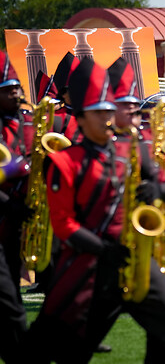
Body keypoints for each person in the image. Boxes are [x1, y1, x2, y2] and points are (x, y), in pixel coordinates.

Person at [27, 58, 165, 364]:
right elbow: (64, 224)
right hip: (86, 266)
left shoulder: (132, 150)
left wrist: (157, 190)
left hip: (132, 259)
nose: (106, 117)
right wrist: (103, 249)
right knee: (62, 348)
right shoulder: (63, 162)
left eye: (108, 110)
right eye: (98, 112)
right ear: (81, 117)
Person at [108, 57, 165, 363]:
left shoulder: (147, 138)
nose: (134, 112)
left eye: (136, 106)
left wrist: (162, 180)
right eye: (125, 105)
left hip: (160, 229)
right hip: (116, 237)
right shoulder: (99, 143)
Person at [0, 51, 33, 364]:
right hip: (6, 211)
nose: (14, 93)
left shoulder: (26, 119)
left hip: (16, 220)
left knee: (12, 287)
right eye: (7, 89)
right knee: (9, 301)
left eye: (16, 87)